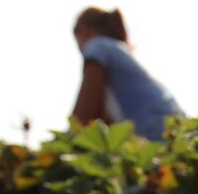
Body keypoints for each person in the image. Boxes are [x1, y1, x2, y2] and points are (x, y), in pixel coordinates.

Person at [70, 7, 183, 141]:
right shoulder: (119, 51)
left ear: (83, 31)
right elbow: (101, 122)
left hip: (156, 137)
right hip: (179, 131)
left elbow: (82, 118)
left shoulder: (97, 46)